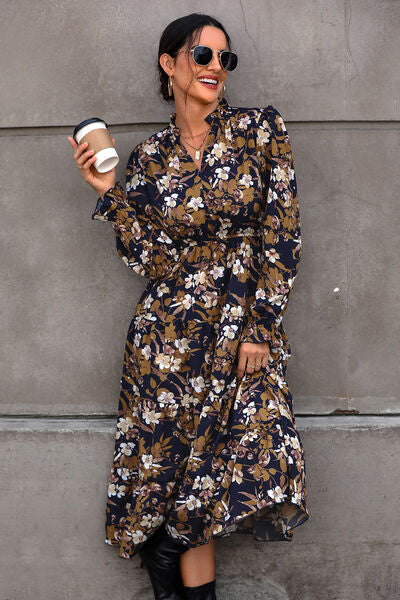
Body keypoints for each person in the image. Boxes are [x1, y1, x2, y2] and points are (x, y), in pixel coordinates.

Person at [68, 12, 309, 600]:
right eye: (203, 55)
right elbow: (149, 259)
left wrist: (260, 327)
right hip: (167, 341)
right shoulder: (149, 156)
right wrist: (109, 194)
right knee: (180, 476)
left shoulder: (259, 129)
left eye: (225, 59)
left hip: (241, 330)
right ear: (169, 63)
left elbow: (281, 233)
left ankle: (164, 551)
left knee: (236, 466)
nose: (215, 68)